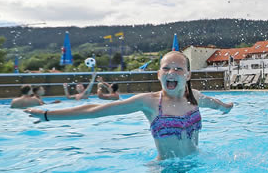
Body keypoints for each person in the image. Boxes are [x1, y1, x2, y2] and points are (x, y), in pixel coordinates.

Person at [26, 51, 234, 159]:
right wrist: (48, 114)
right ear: (158, 74)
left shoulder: (194, 97)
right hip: (166, 171)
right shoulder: (149, 102)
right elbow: (95, 110)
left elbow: (215, 104)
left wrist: (225, 106)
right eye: (166, 68)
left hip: (197, 163)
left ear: (188, 74)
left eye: (178, 69)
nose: (172, 72)